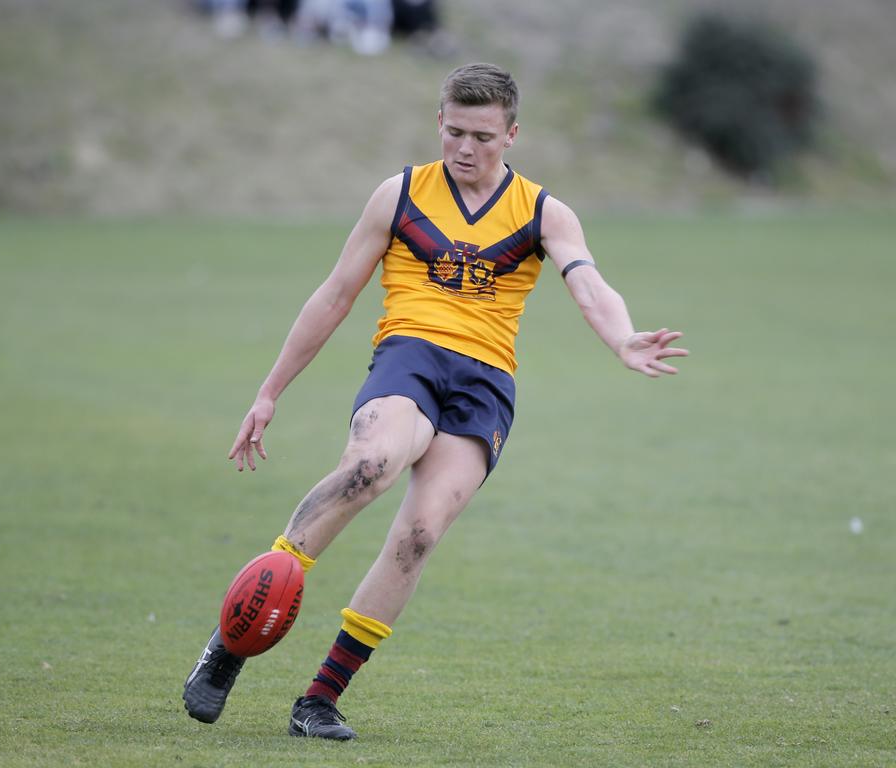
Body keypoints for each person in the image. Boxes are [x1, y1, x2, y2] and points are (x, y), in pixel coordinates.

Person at [182, 62, 689, 740]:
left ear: (512, 133)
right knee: (372, 465)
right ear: (438, 123)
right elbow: (335, 295)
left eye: (482, 135)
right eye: (454, 131)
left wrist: (623, 337)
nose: (465, 148)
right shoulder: (400, 195)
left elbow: (588, 281)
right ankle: (231, 644)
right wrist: (270, 391)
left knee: (420, 534)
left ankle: (320, 699)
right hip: (410, 357)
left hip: (485, 385)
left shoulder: (543, 211)